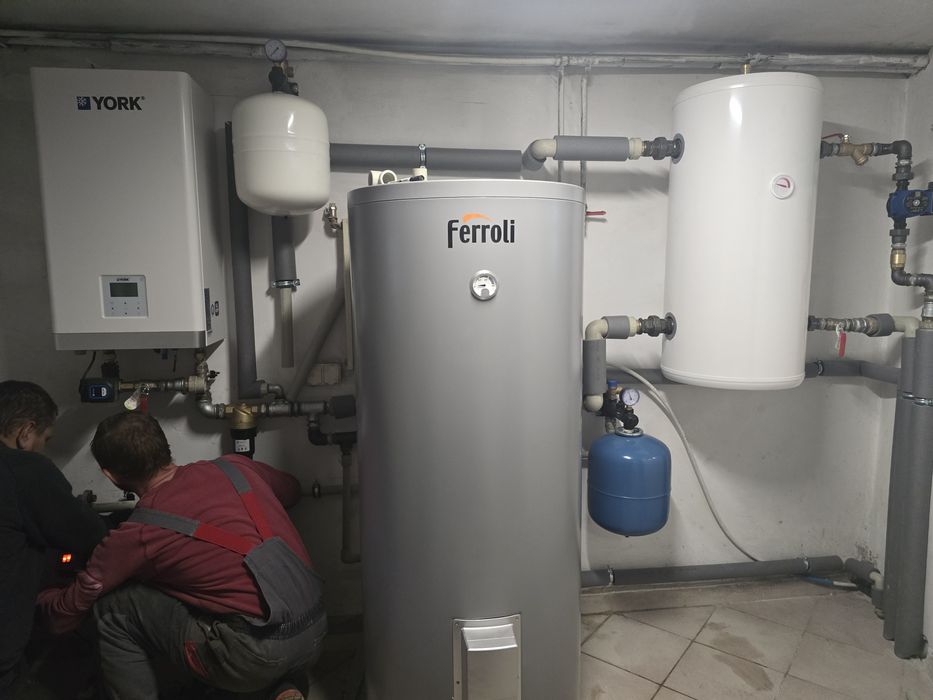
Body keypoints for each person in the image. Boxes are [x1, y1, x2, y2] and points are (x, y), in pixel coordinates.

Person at [39, 412, 326, 700]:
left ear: (110, 476)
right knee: (220, 607)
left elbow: (65, 616)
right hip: (315, 631)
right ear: (165, 448)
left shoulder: (138, 533)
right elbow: (291, 490)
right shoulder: (236, 467)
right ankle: (282, 689)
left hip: (250, 657)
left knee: (113, 609)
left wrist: (41, 598)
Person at [0, 380, 107, 699]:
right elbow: (89, 534)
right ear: (25, 432)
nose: (42, 448)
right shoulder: (22, 468)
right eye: (44, 440)